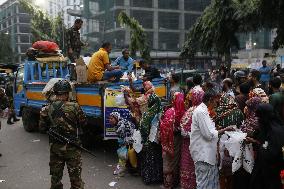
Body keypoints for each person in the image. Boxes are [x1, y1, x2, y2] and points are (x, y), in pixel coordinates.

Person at [39, 80, 87, 189]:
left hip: (55, 148)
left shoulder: (46, 109)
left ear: (55, 93)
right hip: (72, 148)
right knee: (76, 180)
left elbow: (41, 128)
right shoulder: (75, 107)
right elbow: (84, 123)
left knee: (55, 179)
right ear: (67, 93)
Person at [190, 89, 235, 189]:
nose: (217, 104)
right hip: (203, 155)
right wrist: (224, 130)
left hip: (207, 154)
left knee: (211, 183)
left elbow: (208, 131)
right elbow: (208, 135)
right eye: (216, 101)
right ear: (210, 100)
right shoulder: (201, 112)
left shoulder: (204, 111)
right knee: (204, 184)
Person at [248, 104, 284, 189]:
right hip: (264, 170)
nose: (258, 120)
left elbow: (272, 152)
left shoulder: (276, 131)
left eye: (259, 118)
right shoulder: (268, 128)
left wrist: (260, 146)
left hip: (272, 172)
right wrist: (256, 142)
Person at [138, 82, 163, 184]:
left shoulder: (146, 115)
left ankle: (148, 178)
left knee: (149, 159)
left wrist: (144, 140)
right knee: (156, 159)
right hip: (157, 141)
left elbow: (143, 127)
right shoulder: (161, 112)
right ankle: (157, 177)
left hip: (148, 142)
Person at [180, 89, 204, 189]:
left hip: (186, 144)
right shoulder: (200, 111)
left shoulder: (189, 110)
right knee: (194, 167)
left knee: (187, 165)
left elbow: (183, 130)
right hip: (196, 144)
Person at [160, 92, 185, 189]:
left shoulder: (169, 111)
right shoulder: (184, 112)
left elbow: (163, 125)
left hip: (167, 140)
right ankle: (174, 182)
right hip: (178, 139)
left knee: (168, 160)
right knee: (176, 160)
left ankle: (168, 183)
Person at [109, 112, 135, 176]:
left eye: (112, 118)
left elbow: (126, 138)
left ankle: (122, 170)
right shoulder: (120, 122)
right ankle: (125, 168)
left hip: (131, 142)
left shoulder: (121, 126)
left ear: (116, 118)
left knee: (123, 155)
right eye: (109, 118)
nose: (110, 120)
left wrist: (123, 145)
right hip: (130, 141)